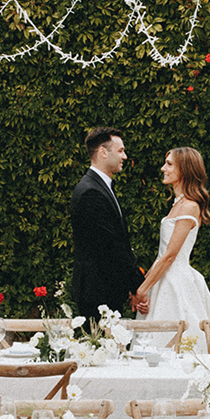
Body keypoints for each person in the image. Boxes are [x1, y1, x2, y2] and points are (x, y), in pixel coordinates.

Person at [134, 147, 210, 340]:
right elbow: (162, 254)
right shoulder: (178, 204)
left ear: (185, 170)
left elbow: (171, 255)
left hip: (176, 282)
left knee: (175, 338)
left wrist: (142, 290)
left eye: (169, 164)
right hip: (162, 277)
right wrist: (146, 285)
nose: (163, 168)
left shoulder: (189, 206)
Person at [69, 127, 145, 318]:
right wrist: (137, 285)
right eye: (120, 151)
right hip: (98, 293)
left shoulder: (98, 186)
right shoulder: (90, 192)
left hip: (105, 289)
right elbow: (111, 246)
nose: (125, 156)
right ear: (103, 152)